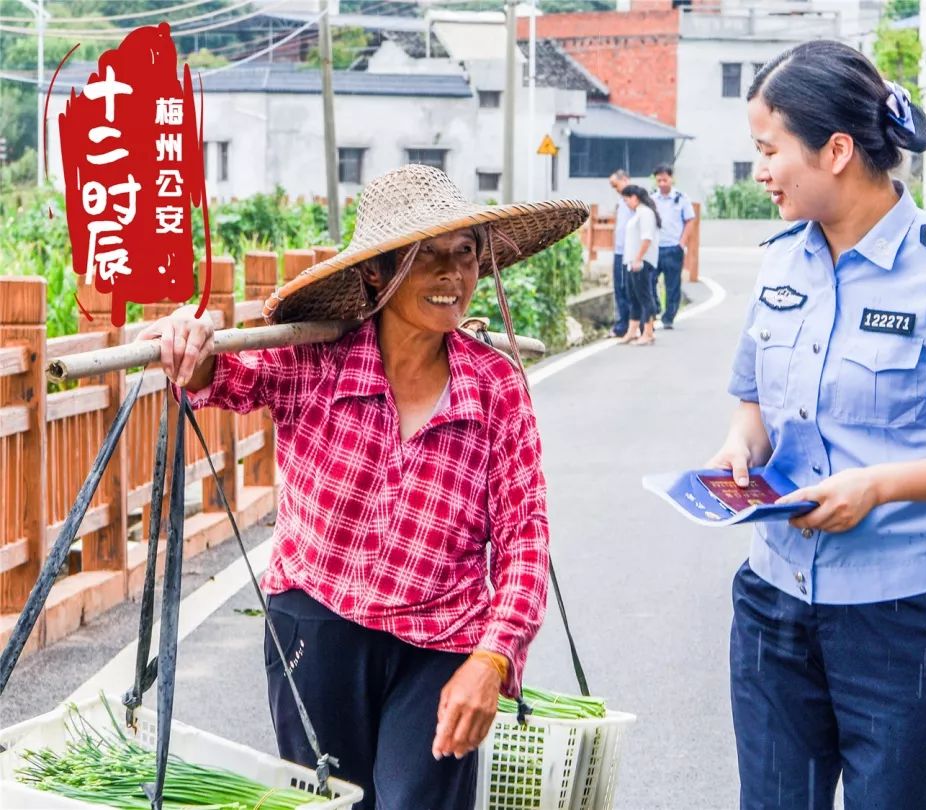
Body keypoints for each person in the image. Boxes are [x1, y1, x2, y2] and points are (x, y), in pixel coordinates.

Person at [138, 165, 588, 809]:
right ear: (375, 271)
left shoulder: (495, 385)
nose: (450, 275)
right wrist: (188, 338)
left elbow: (524, 537)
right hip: (318, 623)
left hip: (441, 639)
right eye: (425, 256)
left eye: (463, 254)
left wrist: (493, 658)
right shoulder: (316, 358)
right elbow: (227, 376)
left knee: (414, 802)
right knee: (335, 802)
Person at [712, 40, 926, 810]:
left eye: (768, 149)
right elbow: (753, 398)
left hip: (901, 622)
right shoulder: (782, 262)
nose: (759, 170)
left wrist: (879, 485)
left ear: (836, 150)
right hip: (772, 602)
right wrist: (738, 445)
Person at [650, 164, 696, 329]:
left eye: (665, 179)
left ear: (671, 179)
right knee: (649, 280)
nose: (662, 183)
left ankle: (668, 317)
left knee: (672, 285)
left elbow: (690, 220)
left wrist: (681, 243)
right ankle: (654, 309)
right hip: (655, 248)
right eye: (659, 180)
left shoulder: (681, 198)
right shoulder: (652, 199)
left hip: (673, 248)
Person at [618, 184, 661, 346]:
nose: (626, 203)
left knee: (644, 296)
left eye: (627, 199)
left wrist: (638, 258)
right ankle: (632, 331)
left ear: (635, 197)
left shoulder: (646, 213)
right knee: (633, 297)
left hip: (641, 262)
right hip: (632, 262)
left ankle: (648, 332)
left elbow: (647, 238)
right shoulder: (637, 214)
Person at [609, 169, 634, 337]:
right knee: (619, 288)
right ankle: (621, 325)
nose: (615, 189)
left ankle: (632, 325)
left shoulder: (635, 200)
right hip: (619, 251)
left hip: (630, 252)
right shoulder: (621, 201)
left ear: (624, 179)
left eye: (615, 185)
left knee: (630, 289)